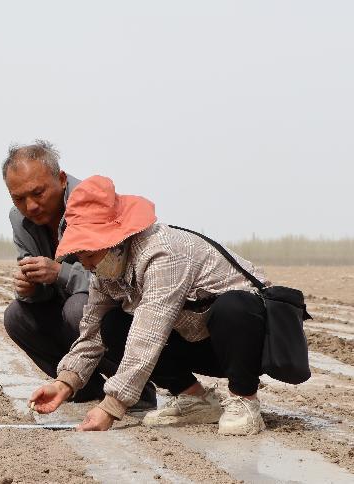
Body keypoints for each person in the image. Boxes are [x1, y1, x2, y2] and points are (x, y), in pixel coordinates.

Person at [30, 175, 272, 436]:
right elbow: (92, 333)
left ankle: (245, 400)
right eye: (80, 257)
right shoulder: (106, 271)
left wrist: (111, 406)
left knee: (233, 306)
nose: (86, 265)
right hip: (199, 339)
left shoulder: (162, 253)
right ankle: (197, 401)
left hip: (253, 343)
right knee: (112, 324)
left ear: (116, 242)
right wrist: (64, 383)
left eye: (89, 255)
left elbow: (149, 332)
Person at [2, 141, 155, 407]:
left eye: (38, 193)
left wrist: (60, 273)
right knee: (16, 316)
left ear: (61, 179)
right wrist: (30, 289)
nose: (31, 206)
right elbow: (36, 286)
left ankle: (135, 391)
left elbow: (118, 277)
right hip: (73, 305)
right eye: (19, 198)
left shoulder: (91, 202)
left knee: (78, 308)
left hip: (119, 310)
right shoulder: (19, 220)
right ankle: (83, 390)